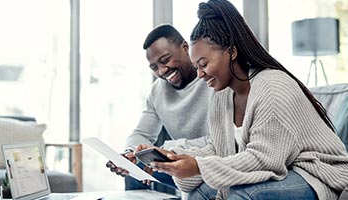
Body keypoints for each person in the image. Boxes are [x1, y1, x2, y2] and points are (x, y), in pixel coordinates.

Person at [135, 0, 348, 199]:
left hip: (316, 173)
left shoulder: (272, 87)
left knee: (241, 195)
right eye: (196, 66)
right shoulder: (222, 96)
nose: (200, 74)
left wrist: (199, 167)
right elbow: (218, 149)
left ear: (232, 52)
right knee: (200, 192)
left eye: (204, 64)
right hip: (282, 167)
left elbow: (265, 159)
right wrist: (174, 156)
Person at [106, 24, 214, 191]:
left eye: (165, 60)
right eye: (154, 67)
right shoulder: (157, 90)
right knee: (135, 170)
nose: (162, 71)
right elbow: (141, 134)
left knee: (155, 164)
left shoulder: (212, 79)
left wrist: (165, 151)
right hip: (176, 159)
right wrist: (130, 155)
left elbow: (220, 141)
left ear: (185, 47)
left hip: (208, 161)